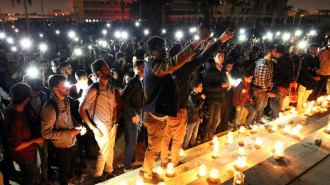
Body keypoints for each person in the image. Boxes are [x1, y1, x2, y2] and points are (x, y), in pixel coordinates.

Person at [140, 24, 211, 184]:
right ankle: (146, 174)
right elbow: (172, 64)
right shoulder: (155, 66)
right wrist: (198, 41)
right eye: (160, 48)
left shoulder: (152, 65)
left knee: (156, 146)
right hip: (155, 117)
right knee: (154, 148)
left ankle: (147, 170)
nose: (164, 50)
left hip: (157, 115)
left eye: (165, 47)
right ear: (151, 52)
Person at [161, 29, 233, 167]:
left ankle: (164, 161)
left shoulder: (164, 68)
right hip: (178, 111)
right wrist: (220, 40)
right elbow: (202, 58)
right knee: (177, 140)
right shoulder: (182, 69)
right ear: (180, 56)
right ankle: (174, 163)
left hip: (164, 112)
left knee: (166, 138)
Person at [79, 59, 118, 183]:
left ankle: (109, 171)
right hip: (100, 125)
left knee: (110, 148)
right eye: (106, 69)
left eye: (108, 68)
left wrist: (115, 123)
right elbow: (81, 109)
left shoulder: (111, 87)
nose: (109, 70)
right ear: (99, 73)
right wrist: (93, 128)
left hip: (111, 124)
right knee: (104, 150)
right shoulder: (93, 89)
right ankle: (98, 176)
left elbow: (114, 106)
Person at [41, 75, 81, 185]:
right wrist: (70, 132)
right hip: (62, 146)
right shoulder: (49, 108)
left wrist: (78, 125)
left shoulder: (66, 100)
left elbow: (68, 117)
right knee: (64, 170)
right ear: (55, 89)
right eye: (64, 86)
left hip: (72, 140)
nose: (68, 87)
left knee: (71, 165)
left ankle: (69, 180)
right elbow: (46, 133)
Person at [4, 83, 44, 185]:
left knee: (32, 176)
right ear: (27, 99)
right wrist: (35, 140)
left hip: (29, 152)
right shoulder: (15, 119)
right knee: (29, 179)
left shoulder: (11, 109)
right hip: (25, 156)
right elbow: (17, 146)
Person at [120, 60, 145, 172]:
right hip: (132, 117)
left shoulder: (139, 82)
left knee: (133, 140)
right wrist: (133, 115)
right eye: (143, 67)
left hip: (137, 114)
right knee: (132, 142)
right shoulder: (134, 82)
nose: (146, 69)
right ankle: (127, 167)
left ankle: (132, 160)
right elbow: (123, 98)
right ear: (138, 69)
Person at [24, 78, 49, 183]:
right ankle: (37, 177)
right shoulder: (24, 98)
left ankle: (44, 175)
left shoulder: (43, 95)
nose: (35, 91)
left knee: (44, 154)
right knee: (33, 158)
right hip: (29, 130)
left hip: (42, 128)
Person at [201, 50, 229, 142]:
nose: (221, 58)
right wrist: (221, 86)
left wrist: (227, 85)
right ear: (214, 58)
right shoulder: (208, 71)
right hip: (211, 99)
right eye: (219, 56)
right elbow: (206, 88)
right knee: (209, 120)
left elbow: (224, 80)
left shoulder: (222, 69)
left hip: (220, 98)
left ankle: (210, 134)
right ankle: (205, 136)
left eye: (223, 56)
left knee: (217, 120)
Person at [252, 45, 278, 124]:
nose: (276, 53)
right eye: (275, 51)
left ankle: (258, 119)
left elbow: (269, 76)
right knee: (257, 106)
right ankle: (253, 121)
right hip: (260, 89)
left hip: (265, 89)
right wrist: (267, 91)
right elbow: (261, 79)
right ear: (269, 53)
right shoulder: (263, 63)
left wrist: (270, 85)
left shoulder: (270, 62)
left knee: (263, 105)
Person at [296, 44, 321, 110]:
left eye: (316, 50)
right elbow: (305, 69)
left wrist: (312, 69)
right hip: (304, 78)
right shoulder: (306, 57)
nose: (315, 51)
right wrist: (312, 73)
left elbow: (318, 67)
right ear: (310, 49)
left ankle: (303, 104)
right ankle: (299, 106)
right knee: (301, 92)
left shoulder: (317, 58)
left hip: (312, 78)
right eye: (314, 49)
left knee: (308, 92)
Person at [183, 79, 205, 149]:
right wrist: (202, 100)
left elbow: (201, 108)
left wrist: (201, 117)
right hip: (192, 118)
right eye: (200, 86)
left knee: (195, 133)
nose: (202, 88)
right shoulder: (191, 97)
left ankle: (192, 144)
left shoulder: (198, 95)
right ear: (195, 88)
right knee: (188, 134)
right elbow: (196, 108)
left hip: (197, 118)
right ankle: (185, 146)